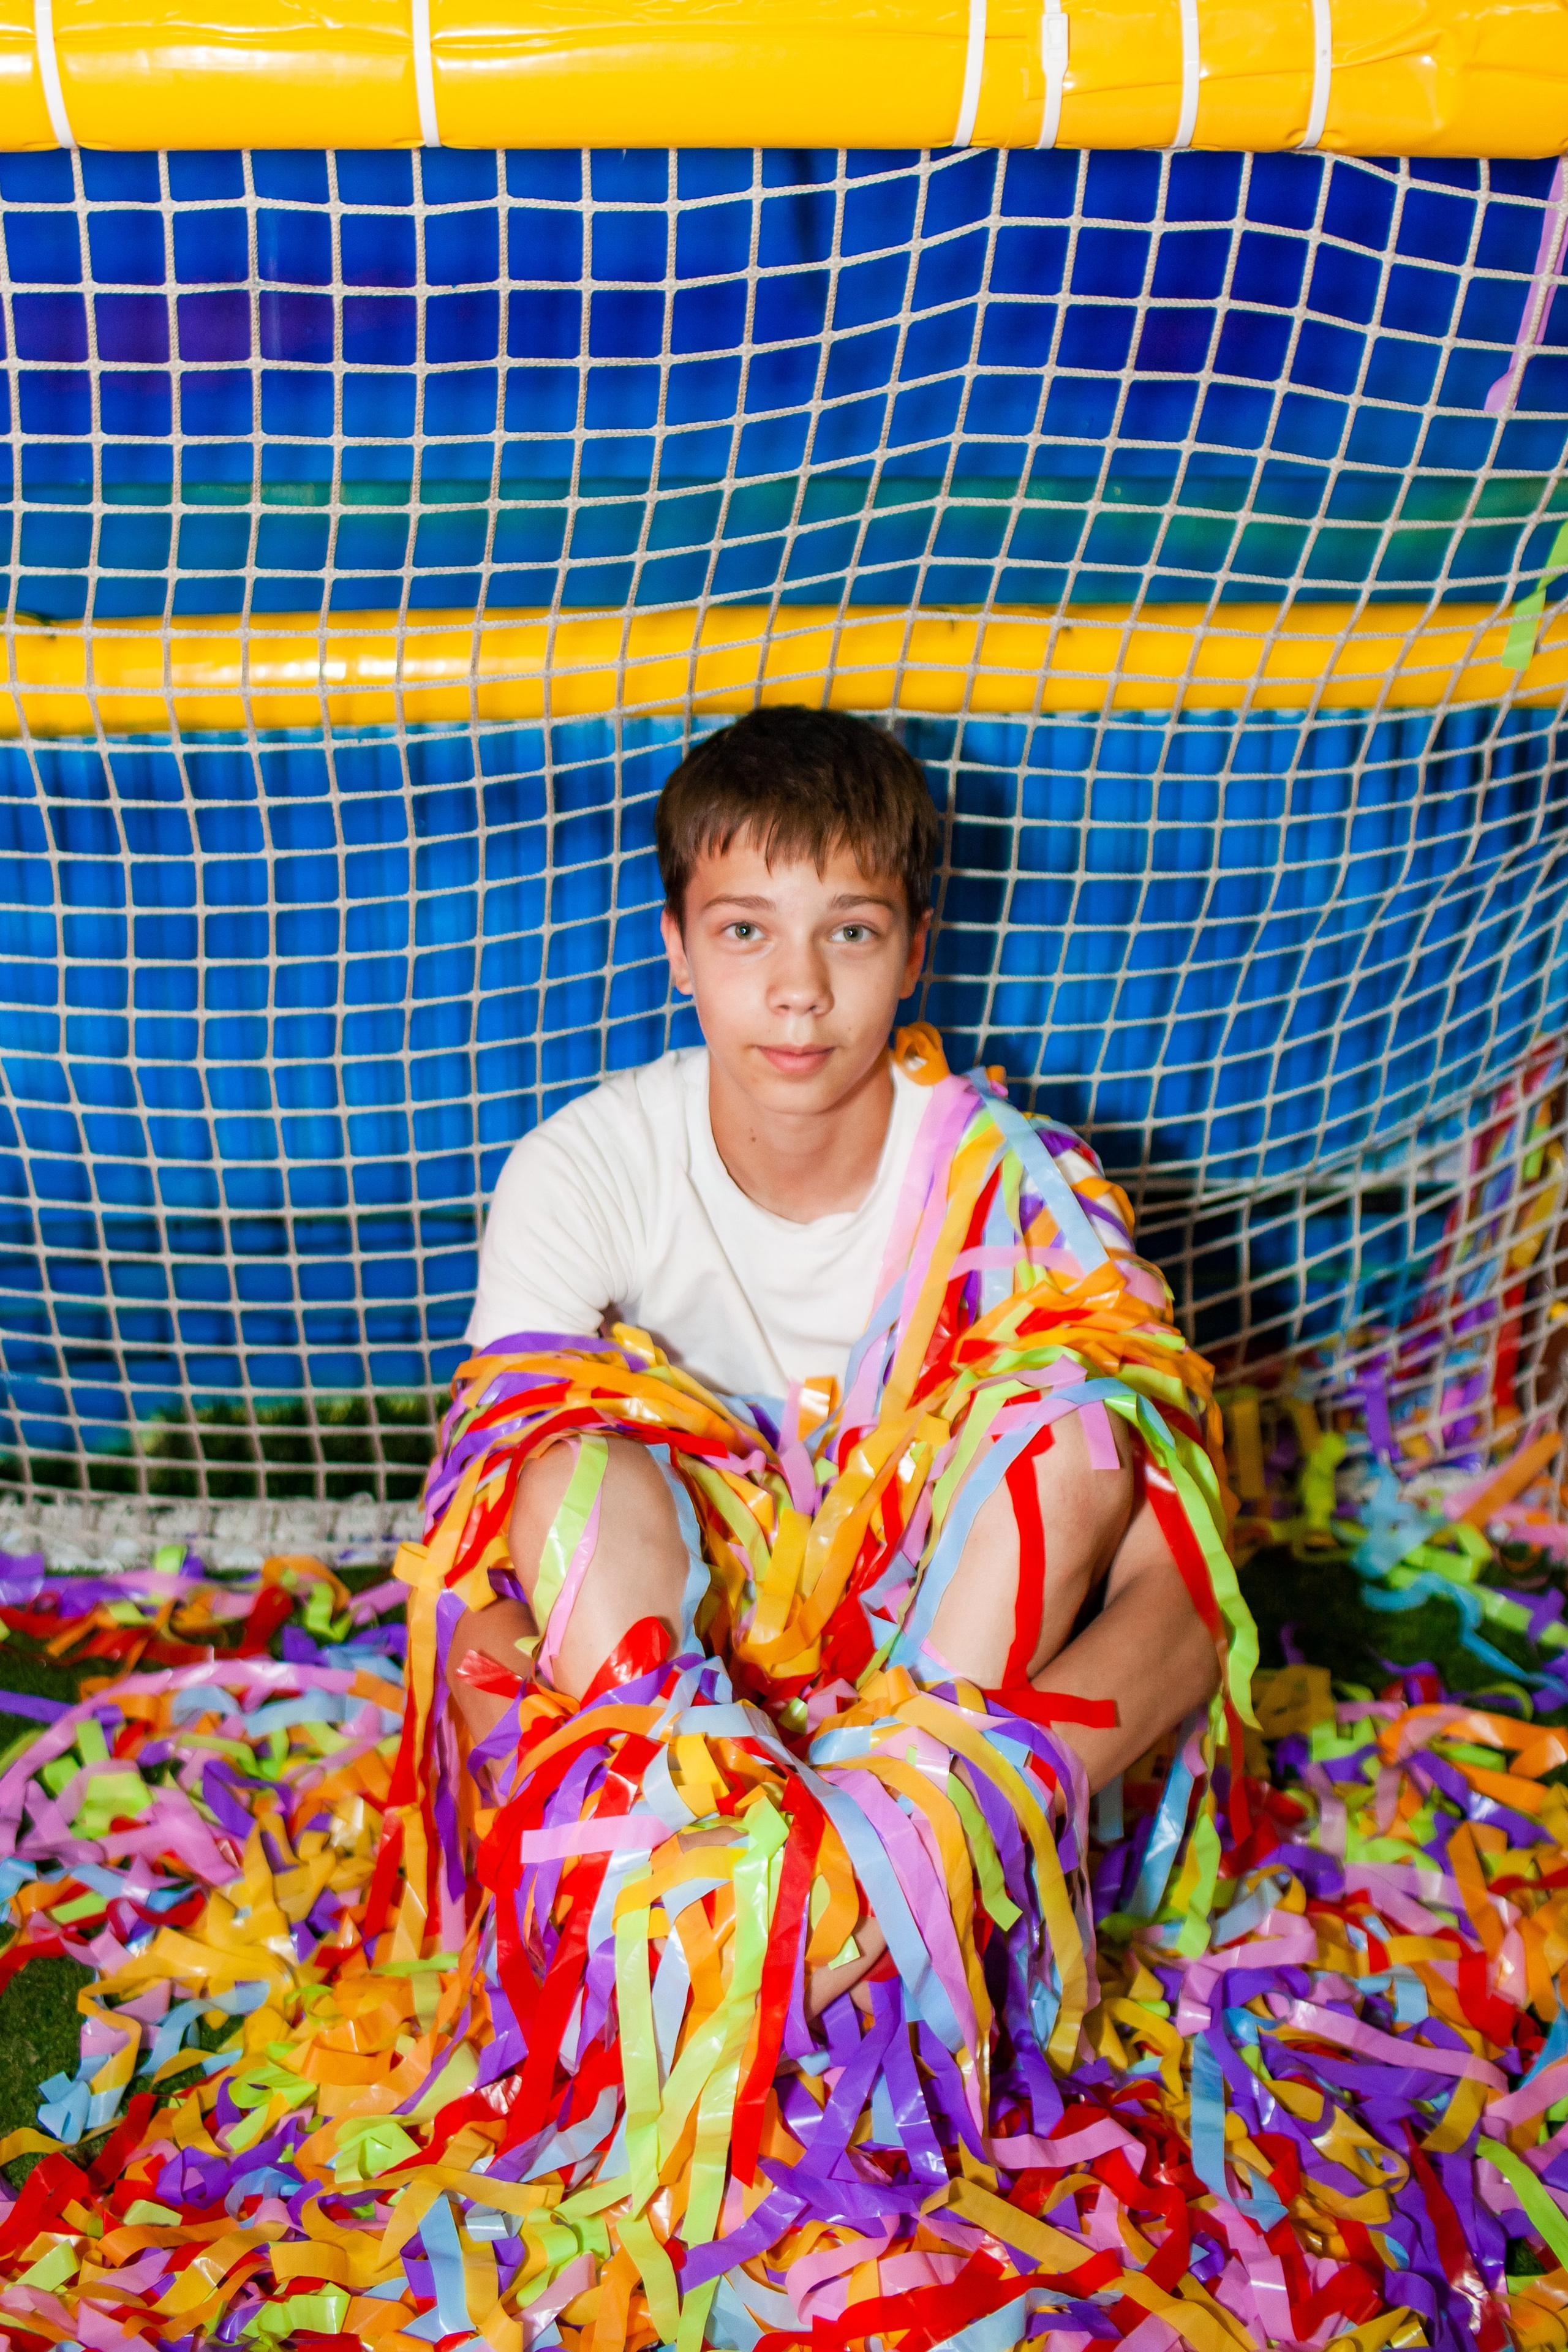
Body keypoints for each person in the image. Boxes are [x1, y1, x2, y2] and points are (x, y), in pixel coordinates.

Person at [443, 705, 1221, 2008]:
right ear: (677, 952)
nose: (797, 988)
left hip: (951, 1676)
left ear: (915, 951)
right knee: (563, 1479)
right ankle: (717, 1923)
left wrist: (937, 1832)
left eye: (847, 931)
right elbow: (480, 1591)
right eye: (745, 930)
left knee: (1077, 1438)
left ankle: (862, 1906)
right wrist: (559, 1843)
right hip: (689, 1704)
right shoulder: (581, 1169)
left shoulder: (1017, 1188)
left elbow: (1181, 1612)